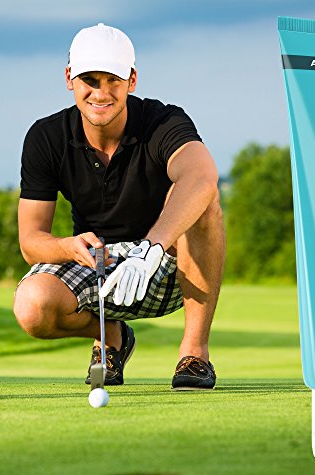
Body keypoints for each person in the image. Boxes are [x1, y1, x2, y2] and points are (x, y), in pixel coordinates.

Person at [13, 23, 225, 390]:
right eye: (89, 80)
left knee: (204, 203)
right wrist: (68, 247)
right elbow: (31, 241)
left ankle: (194, 353)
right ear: (69, 78)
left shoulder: (163, 121)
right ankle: (112, 336)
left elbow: (202, 176)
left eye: (113, 80)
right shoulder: (45, 137)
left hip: (166, 265)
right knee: (31, 307)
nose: (101, 92)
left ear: (132, 80)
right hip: (97, 268)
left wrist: (150, 248)